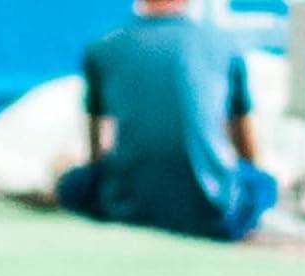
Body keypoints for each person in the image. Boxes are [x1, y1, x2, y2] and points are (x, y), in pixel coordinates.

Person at [53, 0, 278, 242]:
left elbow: (96, 147)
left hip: (125, 211)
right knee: (264, 183)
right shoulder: (224, 45)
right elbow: (244, 138)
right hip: (215, 218)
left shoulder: (104, 47)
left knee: (70, 180)